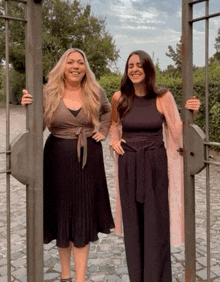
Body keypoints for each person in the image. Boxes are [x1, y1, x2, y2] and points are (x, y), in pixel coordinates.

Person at [21, 48, 114, 282]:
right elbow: (36, 128)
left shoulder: (94, 90)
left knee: (82, 216)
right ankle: (65, 276)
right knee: (62, 216)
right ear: (62, 66)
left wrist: (103, 131)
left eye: (80, 63)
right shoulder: (49, 92)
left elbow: (108, 110)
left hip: (88, 161)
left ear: (85, 67)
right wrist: (28, 109)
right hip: (57, 160)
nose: (75, 66)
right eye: (70, 62)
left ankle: (80, 279)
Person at [110, 50, 200, 282]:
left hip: (155, 166)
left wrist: (191, 113)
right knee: (133, 227)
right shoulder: (118, 97)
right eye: (130, 65)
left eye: (140, 65)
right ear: (126, 70)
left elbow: (178, 131)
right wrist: (113, 139)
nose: (134, 69)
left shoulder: (163, 97)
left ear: (148, 69)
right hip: (128, 166)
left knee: (156, 225)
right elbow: (113, 125)